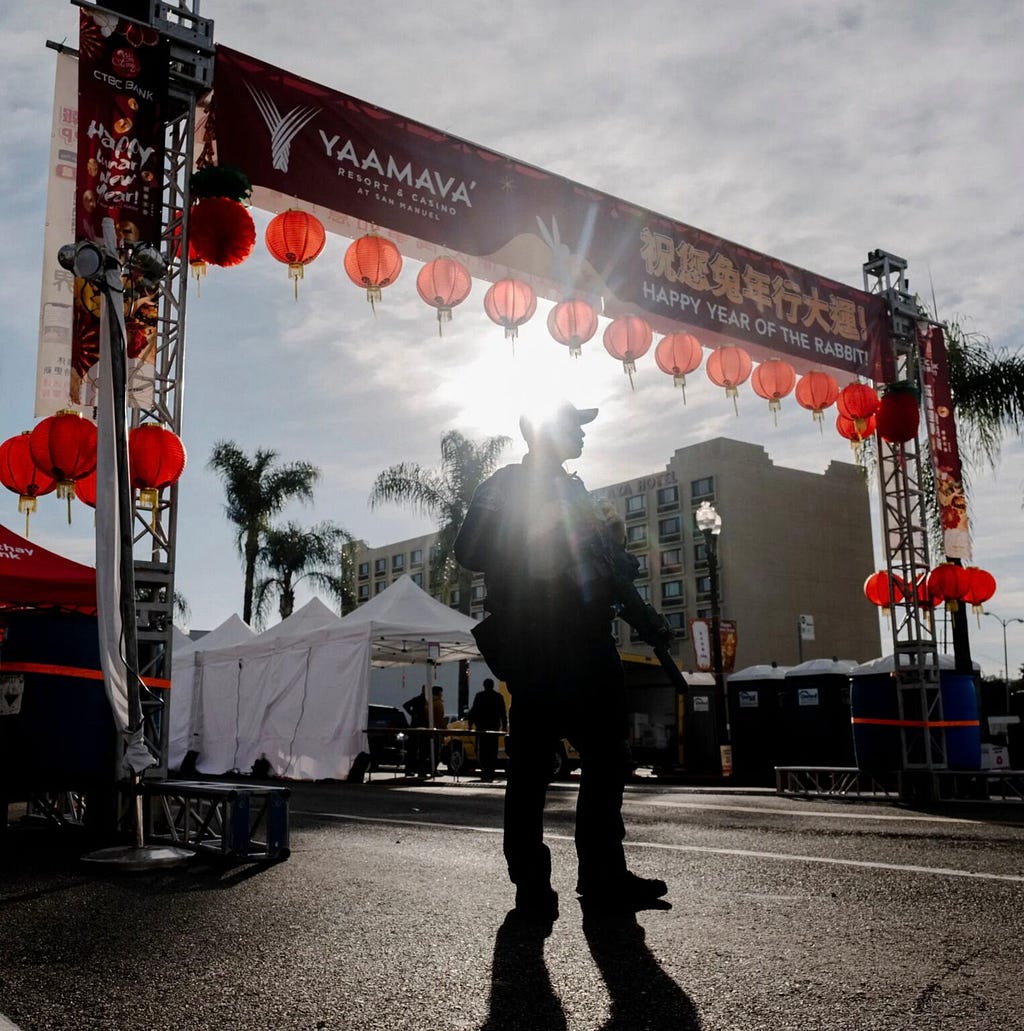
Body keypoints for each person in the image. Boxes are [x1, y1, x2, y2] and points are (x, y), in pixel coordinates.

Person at [454, 401, 671, 922]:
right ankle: (530, 882)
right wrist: (535, 530)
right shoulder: (506, 484)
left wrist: (647, 619)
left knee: (608, 761)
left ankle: (603, 875)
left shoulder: (579, 492)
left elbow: (612, 571)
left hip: (590, 644)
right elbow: (469, 550)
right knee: (530, 770)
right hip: (537, 643)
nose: (582, 436)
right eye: (574, 426)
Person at [468, 677, 508, 781]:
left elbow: (473, 711)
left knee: (482, 751)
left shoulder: (479, 696)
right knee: (492, 751)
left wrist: (470, 724)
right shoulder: (498, 697)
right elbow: (502, 713)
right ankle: (491, 771)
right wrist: (504, 726)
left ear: (484, 685)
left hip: (481, 728)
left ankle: (484, 770)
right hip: (494, 728)